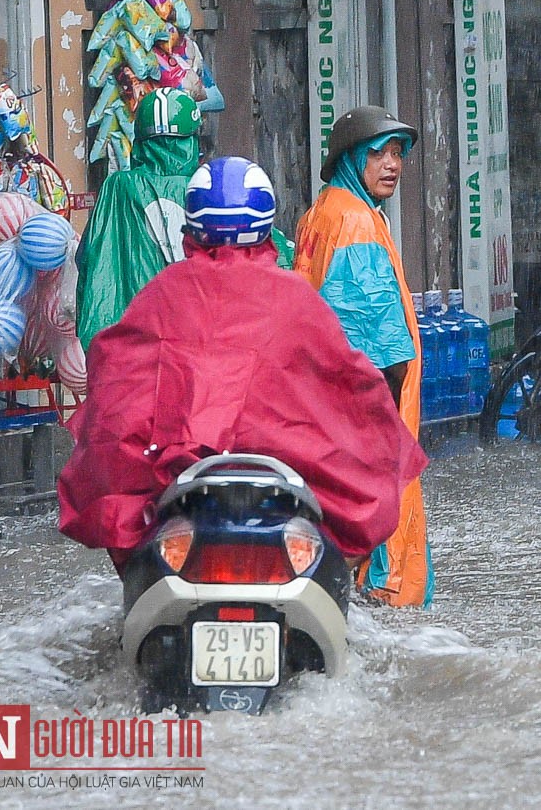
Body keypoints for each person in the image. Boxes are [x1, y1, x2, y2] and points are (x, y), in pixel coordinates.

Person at [57, 157, 426, 573]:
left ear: (191, 228)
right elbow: (353, 390)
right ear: (267, 224)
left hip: (185, 508)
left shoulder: (158, 298)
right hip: (281, 509)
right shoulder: (298, 301)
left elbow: (114, 403)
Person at [293, 106, 431, 608]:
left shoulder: (322, 212)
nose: (392, 163)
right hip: (363, 426)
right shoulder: (354, 222)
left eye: (398, 153)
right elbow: (379, 353)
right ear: (352, 157)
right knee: (383, 574)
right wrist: (387, 447)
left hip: (322, 417)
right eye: (379, 152)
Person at [74, 89, 203, 348]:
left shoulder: (118, 188)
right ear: (191, 142)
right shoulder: (205, 189)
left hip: (128, 354)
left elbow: (88, 258)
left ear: (140, 141)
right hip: (194, 350)